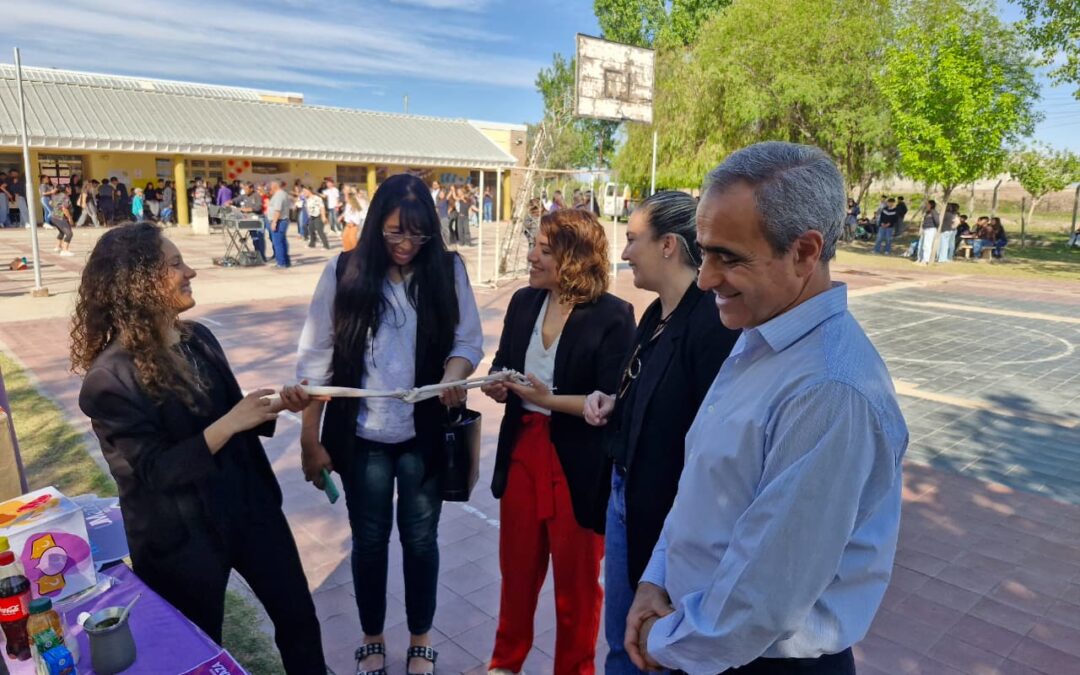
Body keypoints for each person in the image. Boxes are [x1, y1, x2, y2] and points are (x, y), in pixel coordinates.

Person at [625, 142, 907, 674]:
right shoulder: (761, 335)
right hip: (699, 638)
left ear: (804, 252)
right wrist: (654, 579)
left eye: (727, 257)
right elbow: (703, 491)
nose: (705, 279)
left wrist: (660, 639)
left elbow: (763, 599)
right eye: (703, 250)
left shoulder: (830, 391)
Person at [72, 223, 326, 674]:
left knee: (299, 621)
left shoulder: (198, 338)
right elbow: (157, 472)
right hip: (180, 539)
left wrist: (275, 405)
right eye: (174, 264)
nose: (191, 271)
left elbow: (232, 416)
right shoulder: (108, 381)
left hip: (249, 511)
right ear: (139, 280)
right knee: (194, 645)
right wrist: (233, 421)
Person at [296, 173, 483, 675]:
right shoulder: (345, 271)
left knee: (421, 541)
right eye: (396, 232)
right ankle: (372, 636)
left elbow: (468, 341)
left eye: (418, 234)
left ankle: (420, 637)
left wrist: (452, 377)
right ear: (377, 224)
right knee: (370, 540)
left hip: (423, 436)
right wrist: (309, 439)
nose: (406, 245)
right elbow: (317, 361)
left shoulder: (447, 269)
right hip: (362, 439)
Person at [582, 192, 739, 674]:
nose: (624, 253)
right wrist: (614, 403)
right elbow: (649, 395)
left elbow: (711, 441)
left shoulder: (711, 325)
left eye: (632, 240)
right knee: (620, 639)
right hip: (627, 497)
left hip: (669, 518)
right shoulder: (655, 314)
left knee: (652, 645)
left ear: (669, 245)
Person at [481, 209, 635, 675]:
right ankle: (505, 663)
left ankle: (576, 668)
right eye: (535, 246)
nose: (530, 256)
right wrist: (495, 383)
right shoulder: (525, 302)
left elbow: (611, 402)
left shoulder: (613, 315)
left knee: (578, 585)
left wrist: (549, 398)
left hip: (578, 461)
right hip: (524, 451)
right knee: (518, 571)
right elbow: (503, 363)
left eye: (543, 251)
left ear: (571, 259)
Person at [235, 182, 266, 261]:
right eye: (244, 189)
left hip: (258, 220)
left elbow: (258, 207)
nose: (245, 190)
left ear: (251, 189)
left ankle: (262, 256)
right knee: (254, 238)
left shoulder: (257, 196)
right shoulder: (244, 195)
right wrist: (230, 202)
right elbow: (237, 199)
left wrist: (248, 209)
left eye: (246, 189)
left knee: (260, 238)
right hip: (250, 220)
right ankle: (257, 255)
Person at [266, 181, 291, 268]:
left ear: (275, 186)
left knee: (278, 243)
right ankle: (286, 261)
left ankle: (281, 263)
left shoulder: (279, 195)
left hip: (279, 221)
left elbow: (277, 210)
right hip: (281, 221)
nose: (270, 187)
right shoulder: (281, 194)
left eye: (271, 186)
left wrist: (274, 222)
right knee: (282, 242)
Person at [49, 184, 76, 256]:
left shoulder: (56, 195)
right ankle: (65, 250)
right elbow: (64, 208)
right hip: (60, 218)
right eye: (70, 188)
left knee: (61, 232)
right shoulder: (65, 197)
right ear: (67, 189)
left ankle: (57, 247)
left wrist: (57, 208)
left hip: (54, 217)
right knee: (69, 234)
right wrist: (70, 218)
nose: (71, 190)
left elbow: (50, 203)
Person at [302, 186, 329, 250]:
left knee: (319, 231)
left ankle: (326, 245)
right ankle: (312, 244)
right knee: (310, 229)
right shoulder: (307, 199)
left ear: (309, 191)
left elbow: (322, 207)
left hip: (318, 216)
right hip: (312, 217)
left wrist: (323, 216)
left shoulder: (316, 198)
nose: (303, 193)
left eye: (305, 191)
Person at [341, 186, 366, 252]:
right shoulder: (350, 200)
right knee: (345, 237)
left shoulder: (359, 201)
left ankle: (356, 252)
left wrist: (354, 221)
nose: (350, 194)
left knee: (352, 238)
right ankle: (348, 252)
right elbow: (347, 211)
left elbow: (359, 213)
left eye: (352, 193)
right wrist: (342, 216)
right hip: (349, 222)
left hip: (354, 223)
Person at [917, 199, 940, 264]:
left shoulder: (934, 212)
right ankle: (920, 258)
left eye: (927, 204)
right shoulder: (927, 212)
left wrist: (935, 227)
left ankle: (925, 260)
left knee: (927, 245)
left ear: (931, 205)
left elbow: (937, 221)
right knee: (921, 244)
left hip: (930, 229)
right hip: (925, 229)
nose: (926, 205)